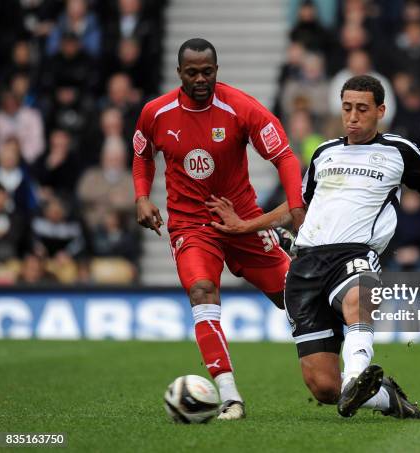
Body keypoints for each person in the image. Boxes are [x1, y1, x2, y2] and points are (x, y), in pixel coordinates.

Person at [207, 75, 420, 419]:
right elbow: (298, 207)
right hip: (305, 265)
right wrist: (246, 225)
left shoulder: (398, 152)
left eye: (361, 109)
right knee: (325, 388)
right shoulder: (324, 153)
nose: (353, 117)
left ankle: (358, 374)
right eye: (347, 108)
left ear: (380, 111)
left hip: (354, 254)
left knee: (361, 294)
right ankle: (385, 397)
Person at [131, 38, 305, 420]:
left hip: (241, 221)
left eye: (206, 72)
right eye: (191, 72)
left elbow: (286, 158)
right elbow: (142, 157)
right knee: (201, 291)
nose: (199, 79)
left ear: (216, 71)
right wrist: (143, 198)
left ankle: (348, 371)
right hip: (191, 225)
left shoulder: (241, 108)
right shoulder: (155, 113)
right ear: (179, 73)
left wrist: (295, 209)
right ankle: (229, 396)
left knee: (297, 300)